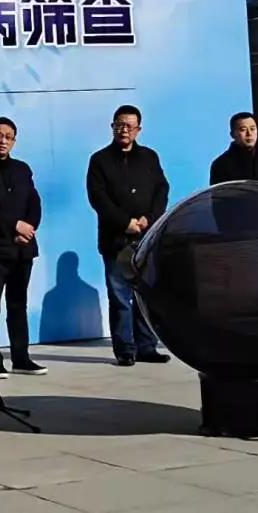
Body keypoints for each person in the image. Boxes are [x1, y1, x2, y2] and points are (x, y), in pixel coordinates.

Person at [86, 105, 170, 367]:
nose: (124, 130)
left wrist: (149, 219)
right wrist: (125, 223)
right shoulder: (99, 160)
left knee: (145, 295)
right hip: (115, 240)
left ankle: (147, 347)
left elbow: (161, 190)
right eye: (120, 124)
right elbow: (98, 198)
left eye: (130, 126)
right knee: (120, 297)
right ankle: (125, 349)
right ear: (112, 126)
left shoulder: (149, 157)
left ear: (138, 129)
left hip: (146, 238)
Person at [0, 117, 47, 379]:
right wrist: (15, 226)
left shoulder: (22, 169)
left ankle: (21, 358)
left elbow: (34, 202)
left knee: (18, 304)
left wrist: (29, 228)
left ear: (14, 141)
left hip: (23, 248)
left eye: (8, 137)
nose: (2, 141)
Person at [209, 112, 258, 185]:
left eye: (252, 129)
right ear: (232, 134)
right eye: (243, 129)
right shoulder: (221, 164)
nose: (249, 134)